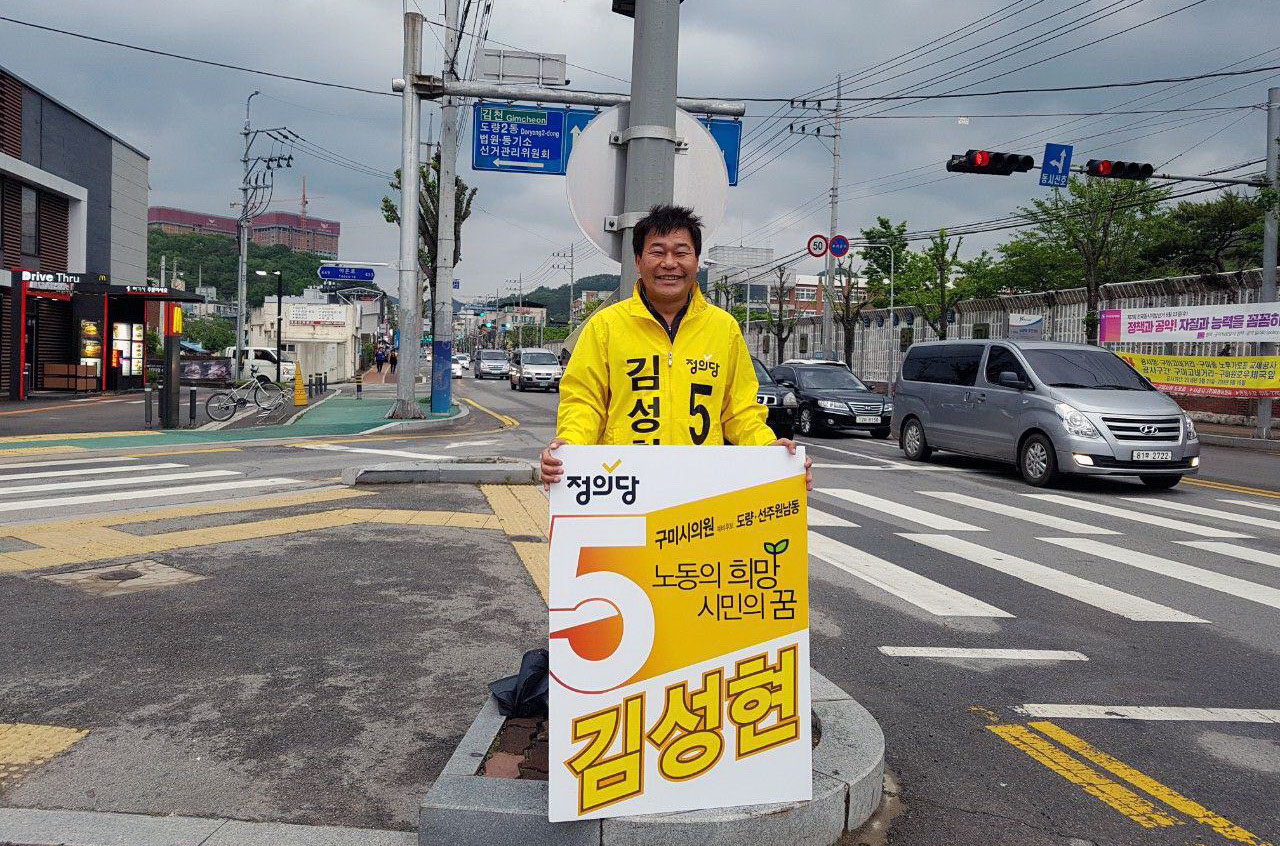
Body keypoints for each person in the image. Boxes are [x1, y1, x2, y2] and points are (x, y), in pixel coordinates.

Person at [541, 204, 812, 490]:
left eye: (681, 252)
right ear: (637, 260)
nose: (669, 263)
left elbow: (740, 410)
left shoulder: (724, 328)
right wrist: (568, 446)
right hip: (624, 485)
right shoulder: (605, 326)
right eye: (657, 251)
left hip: (700, 487)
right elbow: (585, 403)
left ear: (696, 261)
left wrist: (771, 450)